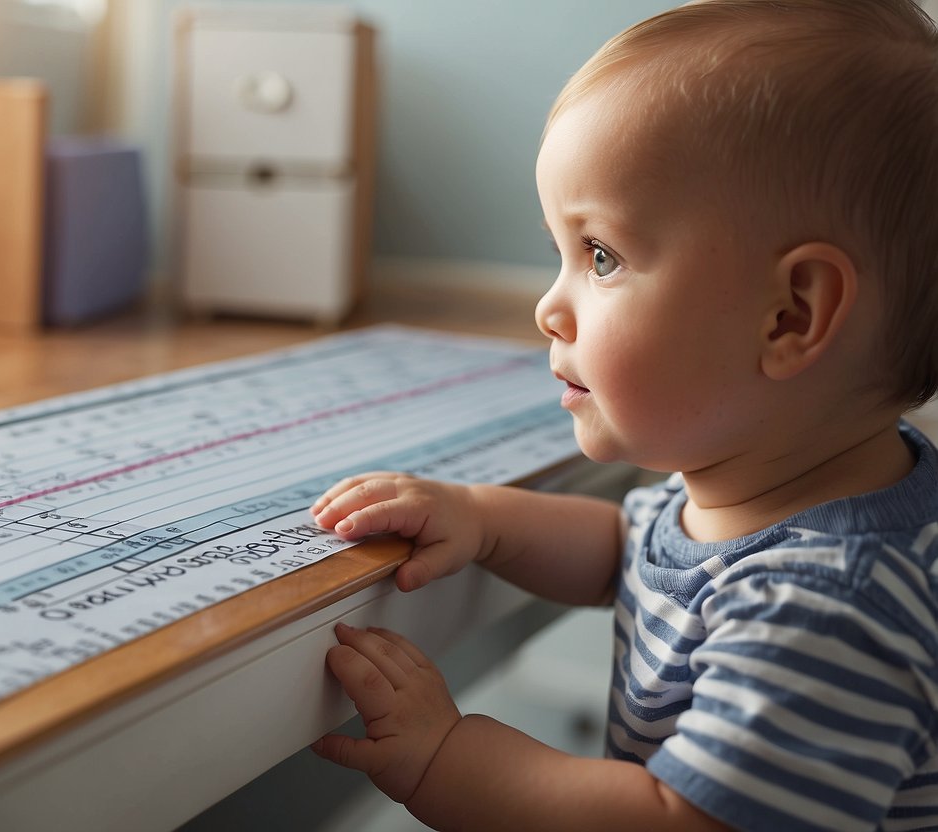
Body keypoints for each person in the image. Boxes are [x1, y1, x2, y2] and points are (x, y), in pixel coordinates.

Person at [307, 1, 938, 829]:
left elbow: (678, 818)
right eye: (559, 255)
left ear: (789, 316)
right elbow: (628, 552)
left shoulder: (826, 606)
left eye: (599, 256)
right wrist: (483, 518)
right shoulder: (766, 487)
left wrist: (443, 758)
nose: (546, 307)